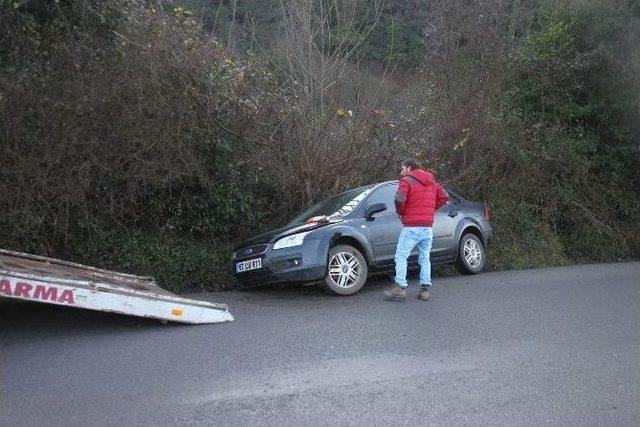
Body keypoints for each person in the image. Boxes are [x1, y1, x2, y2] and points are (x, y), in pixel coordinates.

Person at [384, 158, 449, 301]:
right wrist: (431, 210)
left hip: (412, 226)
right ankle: (425, 290)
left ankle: (400, 288)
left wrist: (401, 213)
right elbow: (444, 197)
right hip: (427, 227)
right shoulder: (432, 182)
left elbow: (400, 200)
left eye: (402, 169)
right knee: (424, 258)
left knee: (401, 256)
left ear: (408, 167)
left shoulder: (406, 180)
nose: (401, 172)